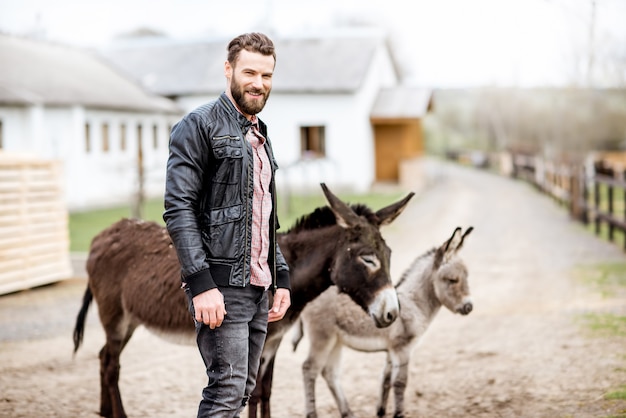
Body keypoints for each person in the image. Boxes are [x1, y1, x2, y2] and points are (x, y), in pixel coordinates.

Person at [163, 32, 291, 418]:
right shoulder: (197, 125)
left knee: (241, 392)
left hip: (257, 287)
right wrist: (201, 284)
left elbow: (263, 215)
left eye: (266, 76)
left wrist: (279, 275)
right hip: (221, 286)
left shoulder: (260, 135)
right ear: (228, 69)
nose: (258, 83)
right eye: (250, 72)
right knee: (226, 391)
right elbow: (178, 207)